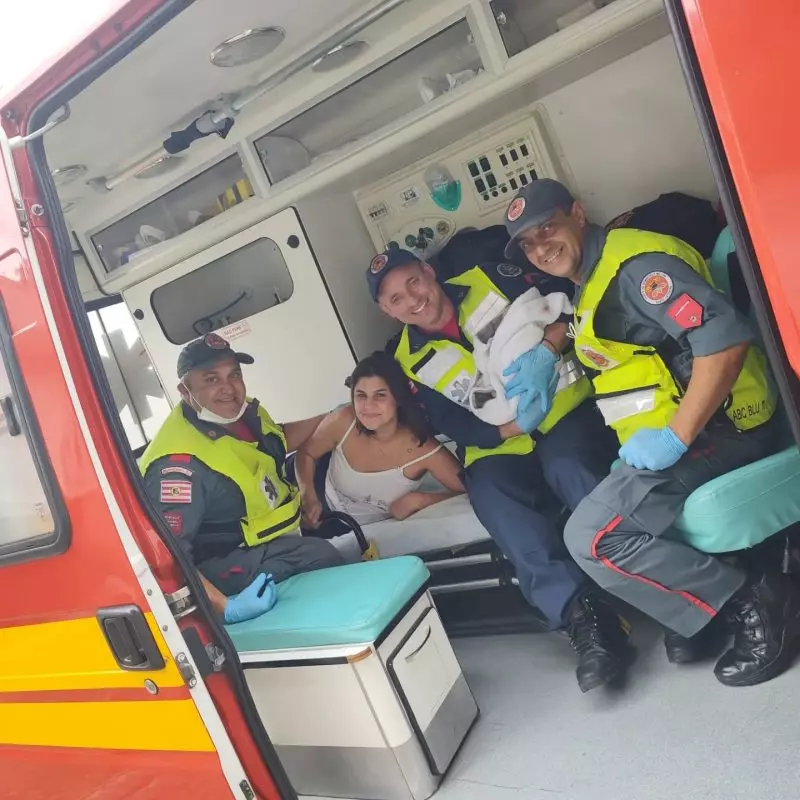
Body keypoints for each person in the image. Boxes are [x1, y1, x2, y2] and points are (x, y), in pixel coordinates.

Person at [503, 177, 797, 687]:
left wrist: (675, 437)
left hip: (720, 427)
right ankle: (702, 615)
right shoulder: (591, 278)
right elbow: (619, 342)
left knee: (591, 537)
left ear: (578, 213)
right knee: (595, 502)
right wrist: (550, 355)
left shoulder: (636, 267)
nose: (540, 247)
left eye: (547, 228)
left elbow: (724, 342)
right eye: (527, 243)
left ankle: (758, 599)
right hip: (677, 437)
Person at [367, 247, 632, 692]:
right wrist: (510, 428)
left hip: (563, 413)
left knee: (570, 467)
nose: (412, 299)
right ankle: (585, 620)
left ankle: (640, 576)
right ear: (386, 311)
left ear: (428, 271)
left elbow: (571, 305)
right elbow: (452, 423)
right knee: (493, 496)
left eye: (413, 281)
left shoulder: (490, 277)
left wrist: (548, 348)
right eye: (395, 298)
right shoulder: (408, 359)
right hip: (498, 443)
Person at [140, 333, 344, 625]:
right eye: (212, 379)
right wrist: (225, 607)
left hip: (268, 535)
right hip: (218, 560)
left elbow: (279, 439)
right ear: (185, 390)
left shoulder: (242, 412)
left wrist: (335, 417)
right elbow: (168, 552)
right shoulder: (177, 465)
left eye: (234, 374)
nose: (229, 388)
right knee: (320, 555)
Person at [295, 351, 465, 533]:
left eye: (380, 395)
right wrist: (307, 495)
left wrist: (421, 500)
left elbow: (467, 491)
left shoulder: (425, 450)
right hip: (310, 490)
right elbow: (306, 453)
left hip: (351, 529)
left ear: (398, 398)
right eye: (361, 395)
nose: (368, 406)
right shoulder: (345, 419)